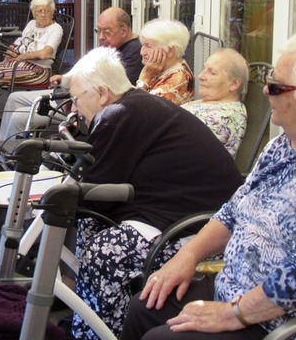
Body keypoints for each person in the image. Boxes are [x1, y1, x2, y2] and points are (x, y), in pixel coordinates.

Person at [120, 32, 296, 340]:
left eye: (277, 85)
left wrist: (233, 313)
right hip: (240, 290)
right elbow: (234, 208)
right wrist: (187, 256)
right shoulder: (284, 144)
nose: (265, 90)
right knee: (144, 307)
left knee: (162, 337)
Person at [61, 47, 244, 339]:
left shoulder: (118, 115)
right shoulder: (135, 106)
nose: (73, 108)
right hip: (177, 212)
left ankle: (94, 332)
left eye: (76, 98)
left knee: (105, 252)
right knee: (89, 223)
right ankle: (92, 317)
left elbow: (96, 193)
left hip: (198, 229)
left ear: (102, 93)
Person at [0, 6, 142, 142]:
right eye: (98, 31)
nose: (101, 37)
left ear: (124, 31)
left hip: (76, 102)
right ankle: (1, 153)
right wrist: (67, 78)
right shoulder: (112, 45)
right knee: (14, 98)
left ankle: (9, 163)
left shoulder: (134, 53)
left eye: (107, 32)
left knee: (18, 116)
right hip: (69, 93)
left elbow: (114, 89)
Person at [0, 0, 62, 112]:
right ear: (33, 12)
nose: (43, 14)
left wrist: (22, 57)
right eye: (39, 11)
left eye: (47, 11)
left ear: (52, 12)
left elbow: (45, 54)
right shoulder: (31, 24)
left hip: (39, 70)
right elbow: (20, 42)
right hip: (19, 65)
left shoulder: (56, 28)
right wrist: (10, 52)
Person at [181, 48, 249, 157]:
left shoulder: (222, 119)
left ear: (234, 84)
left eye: (212, 72)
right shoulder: (212, 101)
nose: (201, 76)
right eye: (204, 69)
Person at [136, 19, 194, 105]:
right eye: (143, 45)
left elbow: (136, 110)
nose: (142, 52)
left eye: (148, 46)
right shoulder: (161, 69)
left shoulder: (177, 79)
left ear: (170, 51)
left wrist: (143, 80)